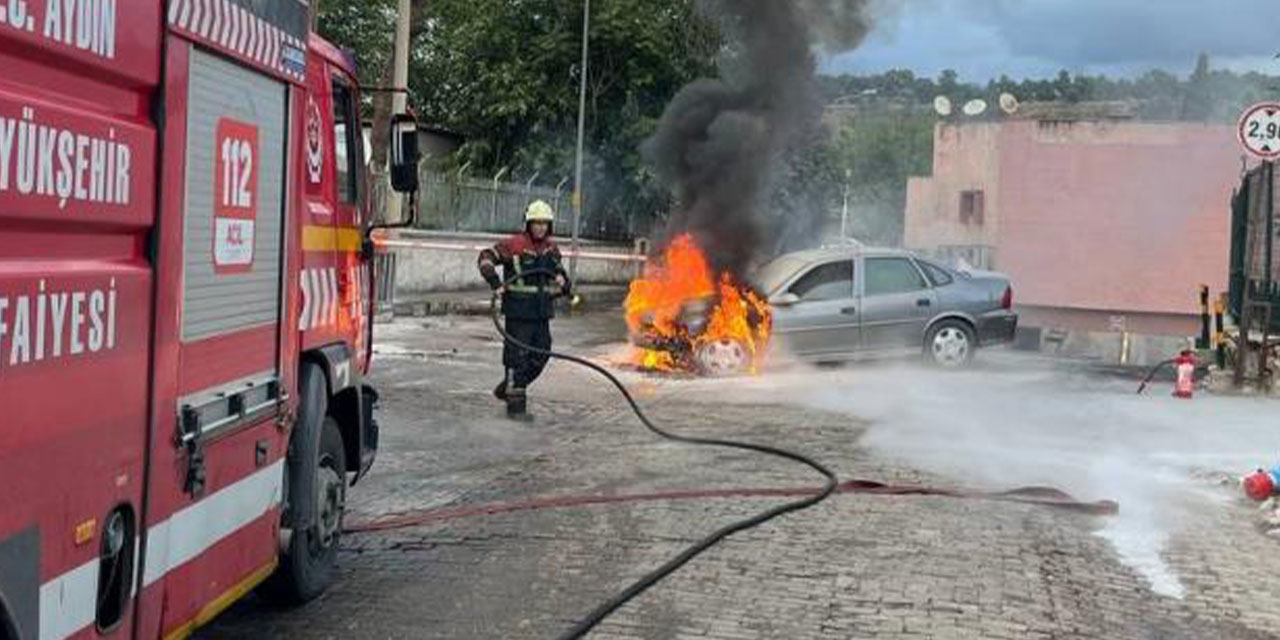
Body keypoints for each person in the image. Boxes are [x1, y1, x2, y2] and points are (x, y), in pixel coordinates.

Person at [477, 200, 570, 418]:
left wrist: (564, 282)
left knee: (542, 354)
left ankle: (507, 388)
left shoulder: (551, 249)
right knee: (516, 358)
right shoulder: (514, 245)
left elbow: (560, 274)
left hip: (541, 313)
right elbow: (485, 258)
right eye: (536, 223)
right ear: (528, 224)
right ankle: (516, 411)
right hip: (518, 313)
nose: (541, 228)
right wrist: (495, 283)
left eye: (544, 224)